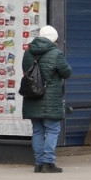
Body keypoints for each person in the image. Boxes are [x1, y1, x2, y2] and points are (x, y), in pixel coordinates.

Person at [21, 25, 73, 172]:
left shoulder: (28, 52)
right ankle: (48, 162)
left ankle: (38, 164)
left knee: (37, 130)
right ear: (54, 39)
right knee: (52, 130)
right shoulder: (56, 53)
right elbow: (67, 72)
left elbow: (26, 71)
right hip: (50, 98)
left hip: (32, 96)